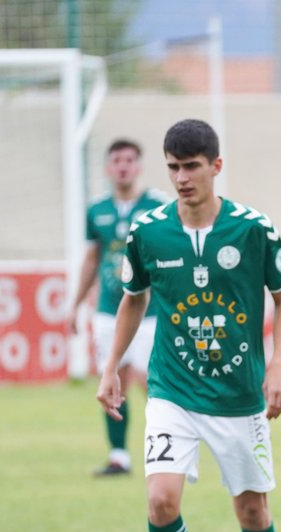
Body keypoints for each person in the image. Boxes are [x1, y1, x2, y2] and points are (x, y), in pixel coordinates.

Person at [97, 119, 281, 532]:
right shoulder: (148, 232)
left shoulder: (252, 228)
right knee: (160, 500)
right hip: (172, 390)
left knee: (252, 511)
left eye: (192, 166)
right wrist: (111, 367)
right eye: (174, 167)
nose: (182, 177)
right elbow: (133, 300)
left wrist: (279, 364)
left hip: (238, 396)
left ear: (216, 166)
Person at [67, 139, 169, 476]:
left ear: (139, 166)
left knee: (152, 382)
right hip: (109, 310)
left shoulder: (158, 206)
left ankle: (169, 448)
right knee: (114, 381)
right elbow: (92, 260)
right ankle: (119, 456)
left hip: (151, 312)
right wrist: (75, 305)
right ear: (108, 168)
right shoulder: (96, 210)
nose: (123, 166)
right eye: (117, 160)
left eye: (129, 160)